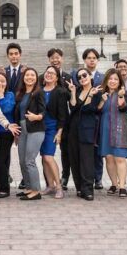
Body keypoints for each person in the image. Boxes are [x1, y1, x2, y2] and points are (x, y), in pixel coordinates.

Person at [95, 68, 127, 197]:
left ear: (119, 81)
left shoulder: (124, 93)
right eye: (110, 79)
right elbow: (97, 111)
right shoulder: (102, 94)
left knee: (120, 158)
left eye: (115, 79)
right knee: (109, 158)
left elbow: (124, 108)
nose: (112, 81)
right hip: (105, 129)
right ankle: (113, 184)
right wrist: (102, 100)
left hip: (119, 128)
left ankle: (122, 186)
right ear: (106, 80)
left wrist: (121, 95)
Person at [67, 69, 100, 200]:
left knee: (87, 160)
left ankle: (88, 189)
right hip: (74, 128)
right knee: (75, 159)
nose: (82, 78)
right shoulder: (79, 90)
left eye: (84, 75)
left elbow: (88, 109)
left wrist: (91, 95)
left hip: (87, 128)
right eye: (79, 77)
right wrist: (73, 92)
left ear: (90, 75)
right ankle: (79, 187)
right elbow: (73, 107)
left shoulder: (97, 91)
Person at [15, 68, 46, 201]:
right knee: (22, 161)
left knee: (29, 160)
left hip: (35, 128)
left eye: (32, 75)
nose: (30, 77)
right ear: (23, 78)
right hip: (22, 129)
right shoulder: (20, 94)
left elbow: (44, 110)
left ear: (36, 78)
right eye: (27, 75)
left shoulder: (39, 92)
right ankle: (28, 187)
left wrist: (37, 117)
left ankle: (36, 190)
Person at [39, 66, 69, 199]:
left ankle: (59, 187)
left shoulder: (60, 92)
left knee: (48, 157)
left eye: (52, 73)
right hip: (39, 128)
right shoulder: (39, 90)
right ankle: (50, 185)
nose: (49, 75)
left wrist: (59, 132)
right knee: (43, 158)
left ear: (57, 78)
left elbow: (63, 114)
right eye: (47, 72)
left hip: (52, 128)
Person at [77, 48, 104, 190]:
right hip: (85, 119)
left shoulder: (102, 77)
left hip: (98, 118)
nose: (91, 60)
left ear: (97, 60)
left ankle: (98, 178)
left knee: (97, 151)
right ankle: (87, 179)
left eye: (94, 57)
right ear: (84, 60)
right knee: (87, 153)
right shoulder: (79, 76)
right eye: (89, 57)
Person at [47, 47, 73, 190]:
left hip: (64, 119)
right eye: (52, 57)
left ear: (62, 59)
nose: (55, 60)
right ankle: (49, 181)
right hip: (49, 120)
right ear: (49, 60)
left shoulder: (68, 77)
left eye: (58, 57)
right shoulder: (43, 77)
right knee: (47, 153)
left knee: (65, 150)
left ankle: (64, 177)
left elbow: (71, 99)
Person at [0, 72, 16, 198]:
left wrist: (1, 95)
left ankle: (5, 189)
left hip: (6, 132)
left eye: (2, 81)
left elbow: (6, 109)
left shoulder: (10, 95)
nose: (0, 83)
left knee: (0, 160)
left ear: (6, 83)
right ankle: (2, 185)